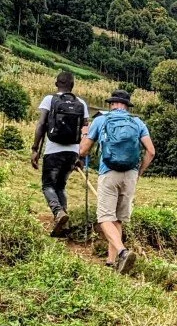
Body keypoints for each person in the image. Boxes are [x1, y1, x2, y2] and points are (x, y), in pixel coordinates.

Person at [78, 89, 155, 274]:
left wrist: (84, 135)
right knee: (118, 219)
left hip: (109, 173)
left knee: (104, 218)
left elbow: (83, 150)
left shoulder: (101, 120)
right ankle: (111, 262)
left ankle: (121, 252)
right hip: (130, 175)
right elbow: (151, 151)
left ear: (111, 104)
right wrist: (139, 172)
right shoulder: (137, 122)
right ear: (127, 106)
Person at [31, 71, 89, 237]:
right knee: (61, 186)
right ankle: (63, 222)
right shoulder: (81, 103)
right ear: (72, 86)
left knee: (48, 185)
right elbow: (86, 131)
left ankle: (58, 212)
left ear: (57, 84)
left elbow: (41, 125)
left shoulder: (50, 99)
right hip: (72, 152)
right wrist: (81, 156)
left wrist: (35, 149)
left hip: (53, 151)